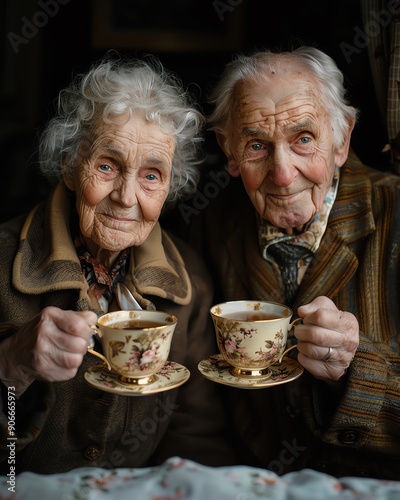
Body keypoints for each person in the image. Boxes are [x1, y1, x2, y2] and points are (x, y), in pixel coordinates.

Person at [0, 54, 235, 474]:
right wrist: (11, 365)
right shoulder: (2, 261)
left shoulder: (191, 280)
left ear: (169, 186)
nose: (126, 197)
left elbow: (194, 436)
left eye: (151, 175)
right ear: (71, 167)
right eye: (107, 166)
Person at [189, 46, 400, 479]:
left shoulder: (396, 213)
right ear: (228, 151)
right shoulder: (211, 225)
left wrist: (353, 369)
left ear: (342, 139)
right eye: (256, 146)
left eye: (304, 138)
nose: (282, 173)